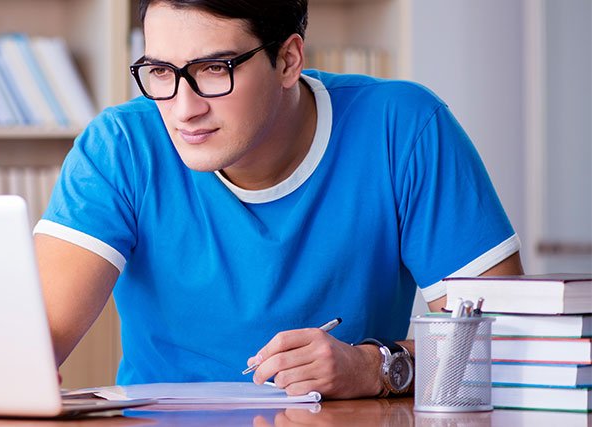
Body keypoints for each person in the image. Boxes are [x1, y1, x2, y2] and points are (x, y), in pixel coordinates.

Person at [33, 0, 523, 399]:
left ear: (288, 60)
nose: (184, 109)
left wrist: (373, 367)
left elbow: (509, 345)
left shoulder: (405, 129)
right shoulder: (121, 146)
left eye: (214, 69)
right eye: (160, 71)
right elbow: (27, 348)